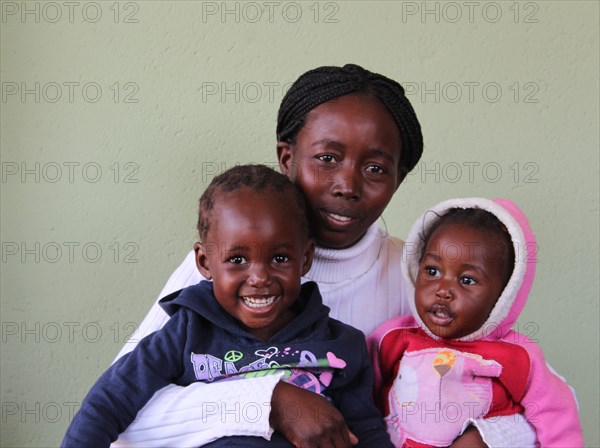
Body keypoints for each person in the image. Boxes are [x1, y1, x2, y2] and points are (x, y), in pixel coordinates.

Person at [111, 64, 536, 447]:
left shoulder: (423, 282)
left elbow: (524, 395)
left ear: (398, 180)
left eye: (375, 169)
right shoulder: (225, 270)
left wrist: (488, 437)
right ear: (287, 158)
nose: (346, 185)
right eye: (327, 159)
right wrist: (270, 401)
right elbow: (120, 409)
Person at [63, 164, 393, 447]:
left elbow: (365, 429)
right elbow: (109, 402)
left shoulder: (340, 345)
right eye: (237, 259)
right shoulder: (186, 331)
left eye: (280, 257)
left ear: (305, 258)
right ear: (205, 262)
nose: (260, 277)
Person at [369, 198, 583, 447]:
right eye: (432, 271)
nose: (443, 290)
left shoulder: (518, 356)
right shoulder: (392, 337)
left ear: (504, 294)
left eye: (467, 280)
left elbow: (556, 414)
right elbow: (359, 395)